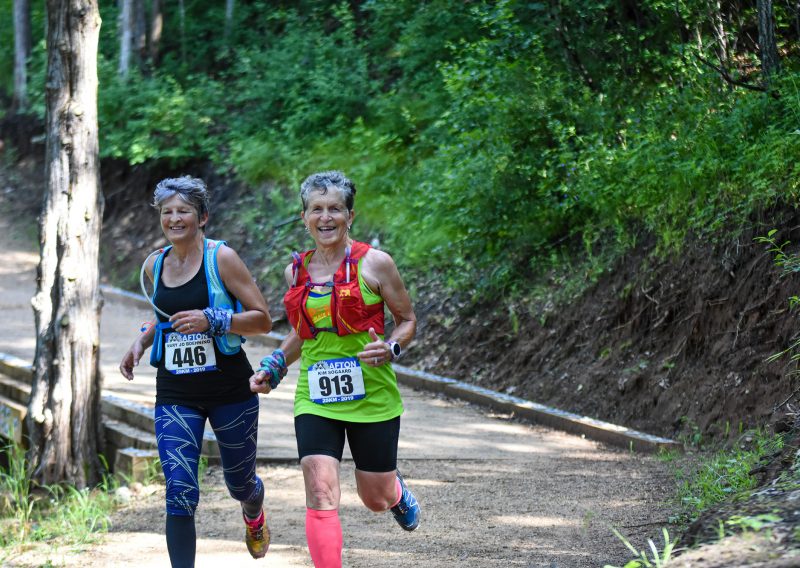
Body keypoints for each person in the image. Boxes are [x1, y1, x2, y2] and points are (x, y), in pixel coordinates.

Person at [250, 170, 420, 568]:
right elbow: (304, 332)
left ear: (350, 216)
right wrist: (274, 366)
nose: (325, 218)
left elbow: (407, 320)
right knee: (320, 489)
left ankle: (394, 492)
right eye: (316, 209)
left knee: (375, 498)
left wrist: (391, 347)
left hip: (372, 393)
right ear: (304, 217)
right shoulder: (296, 272)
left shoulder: (376, 264)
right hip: (316, 395)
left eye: (335, 209)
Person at [119, 176, 273, 567]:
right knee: (179, 491)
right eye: (167, 211)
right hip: (176, 393)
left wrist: (213, 320)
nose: (174, 218)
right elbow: (162, 316)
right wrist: (141, 341)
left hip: (229, 389)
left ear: (202, 217)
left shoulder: (222, 259)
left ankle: (253, 509)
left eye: (183, 211)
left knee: (240, 484)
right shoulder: (154, 264)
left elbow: (262, 320)